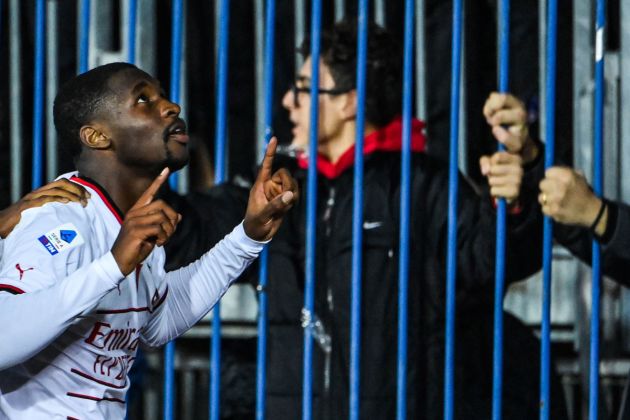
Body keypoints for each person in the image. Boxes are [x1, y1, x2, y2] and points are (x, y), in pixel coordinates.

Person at [250, 20, 565, 420]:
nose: (287, 100)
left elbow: (498, 261)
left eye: (304, 87)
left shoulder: (426, 186)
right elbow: (189, 233)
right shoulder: (280, 190)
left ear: (349, 101)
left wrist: (514, 202)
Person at [0, 62, 298, 419]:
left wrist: (247, 237)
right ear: (96, 136)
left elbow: (158, 320)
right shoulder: (61, 217)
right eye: (143, 99)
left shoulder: (131, 224)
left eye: (164, 95)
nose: (172, 107)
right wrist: (113, 265)